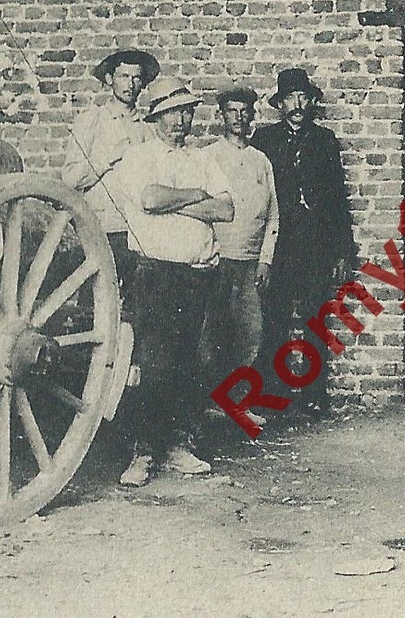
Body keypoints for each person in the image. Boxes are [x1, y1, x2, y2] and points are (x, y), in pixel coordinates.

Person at [102, 76, 234, 487]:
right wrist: (197, 196)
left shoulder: (203, 160)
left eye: (187, 111)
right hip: (155, 275)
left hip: (199, 274)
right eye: (173, 112)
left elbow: (226, 210)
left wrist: (181, 199)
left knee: (194, 361)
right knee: (152, 365)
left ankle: (180, 445)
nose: (182, 120)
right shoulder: (139, 157)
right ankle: (144, 452)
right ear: (155, 116)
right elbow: (149, 199)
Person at [251, 68, 355, 421]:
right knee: (274, 320)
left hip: (315, 246)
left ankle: (313, 396)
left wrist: (342, 251)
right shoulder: (263, 142)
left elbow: (339, 200)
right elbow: (255, 196)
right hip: (278, 245)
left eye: (302, 98)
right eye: (289, 99)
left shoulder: (325, 142)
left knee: (314, 321)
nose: (296, 104)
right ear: (279, 105)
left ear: (310, 102)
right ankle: (272, 395)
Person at [198, 85, 281, 418]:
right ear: (221, 116)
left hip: (250, 263)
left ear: (252, 116)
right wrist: (209, 253)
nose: (239, 117)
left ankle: (237, 404)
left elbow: (273, 213)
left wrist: (265, 260)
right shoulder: (208, 157)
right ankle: (205, 405)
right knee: (211, 334)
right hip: (217, 260)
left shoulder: (261, 161)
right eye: (232, 111)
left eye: (245, 111)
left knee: (250, 334)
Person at [61, 49, 161, 293]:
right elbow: (70, 178)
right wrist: (108, 158)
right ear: (109, 80)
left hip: (138, 233)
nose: (130, 84)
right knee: (95, 305)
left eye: (137, 78)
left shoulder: (148, 131)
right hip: (100, 229)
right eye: (124, 76)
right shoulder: (92, 120)